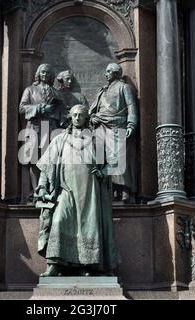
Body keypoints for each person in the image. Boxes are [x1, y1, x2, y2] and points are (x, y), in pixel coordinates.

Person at [36, 104, 118, 277]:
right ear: (70, 117)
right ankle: (54, 265)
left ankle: (87, 266)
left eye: (81, 115)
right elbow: (46, 167)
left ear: (86, 117)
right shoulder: (60, 139)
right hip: (66, 191)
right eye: (74, 115)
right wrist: (43, 186)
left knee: (88, 227)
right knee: (59, 221)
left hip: (90, 193)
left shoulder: (96, 141)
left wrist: (103, 172)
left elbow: (114, 163)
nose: (77, 118)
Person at [89, 63, 138, 203]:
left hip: (117, 126)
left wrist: (131, 124)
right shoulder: (102, 91)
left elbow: (131, 107)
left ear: (116, 73)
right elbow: (93, 110)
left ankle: (125, 190)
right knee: (103, 158)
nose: (106, 74)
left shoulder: (124, 88)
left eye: (108, 71)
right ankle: (110, 190)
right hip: (101, 127)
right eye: (106, 71)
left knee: (118, 158)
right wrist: (93, 117)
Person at [19, 64, 63, 202]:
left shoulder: (57, 93)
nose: (45, 74)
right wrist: (40, 108)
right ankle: (36, 189)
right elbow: (22, 108)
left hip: (51, 127)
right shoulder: (30, 90)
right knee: (34, 160)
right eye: (43, 72)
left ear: (51, 76)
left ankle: (49, 189)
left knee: (51, 160)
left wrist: (58, 114)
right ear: (38, 73)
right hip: (34, 127)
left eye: (48, 73)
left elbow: (62, 112)